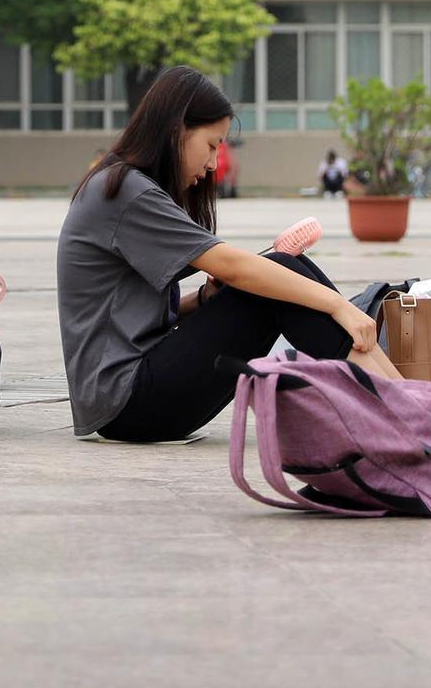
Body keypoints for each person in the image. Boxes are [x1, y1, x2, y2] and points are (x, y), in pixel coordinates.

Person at [57, 66, 398, 444]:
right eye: (211, 144)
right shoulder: (125, 191)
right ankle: (413, 411)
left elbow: (130, 316)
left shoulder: (126, 186)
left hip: (134, 398)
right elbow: (233, 267)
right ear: (175, 131)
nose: (213, 163)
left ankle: (411, 404)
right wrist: (338, 304)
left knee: (286, 271)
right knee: (280, 274)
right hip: (128, 402)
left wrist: (204, 300)